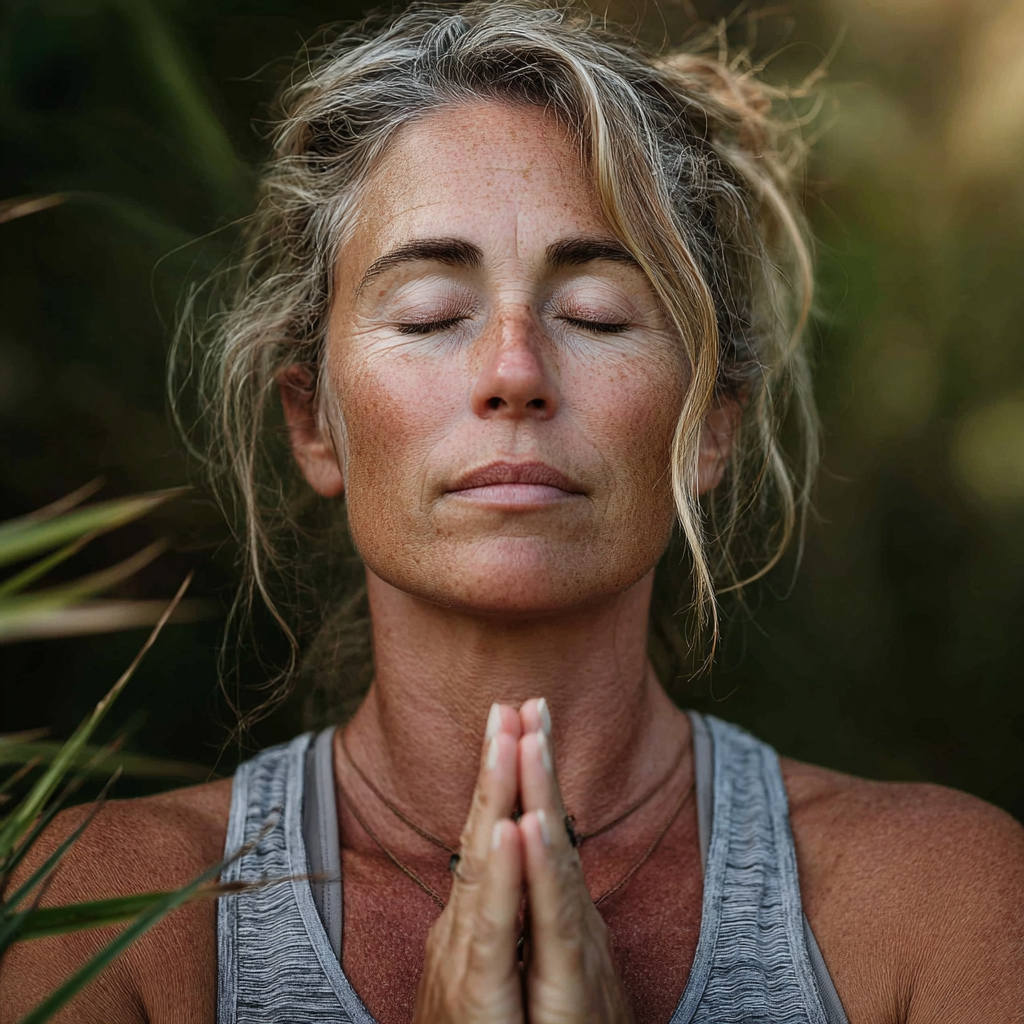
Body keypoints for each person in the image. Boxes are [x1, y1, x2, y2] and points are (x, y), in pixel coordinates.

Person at [2, 4, 1022, 1022]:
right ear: (314, 423)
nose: (515, 372)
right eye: (430, 315)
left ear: (710, 426)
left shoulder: (938, 905)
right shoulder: (103, 913)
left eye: (596, 316)